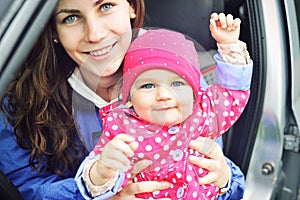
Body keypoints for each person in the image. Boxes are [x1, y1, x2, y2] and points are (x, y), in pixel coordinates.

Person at [0, 0, 245, 199]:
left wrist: (226, 179)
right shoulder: (22, 99)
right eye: (71, 18)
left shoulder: (175, 71)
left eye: (105, 6)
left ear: (132, 7)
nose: (95, 34)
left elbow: (209, 163)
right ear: (54, 30)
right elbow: (25, 190)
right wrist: (99, 192)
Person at [85, 16, 252, 199]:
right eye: (148, 86)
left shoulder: (205, 112)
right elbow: (102, 168)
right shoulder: (122, 126)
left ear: (195, 93)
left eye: (177, 84)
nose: (163, 95)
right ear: (129, 98)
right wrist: (100, 173)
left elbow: (232, 93)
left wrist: (229, 45)